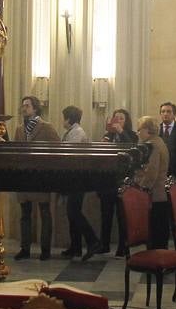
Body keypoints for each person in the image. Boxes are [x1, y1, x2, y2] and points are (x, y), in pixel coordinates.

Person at [13, 95, 60, 261]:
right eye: (23, 105)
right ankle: (25, 248)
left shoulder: (46, 127)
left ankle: (45, 250)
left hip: (41, 175)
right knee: (25, 213)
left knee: (44, 212)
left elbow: (57, 147)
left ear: (35, 108)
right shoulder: (19, 129)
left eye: (27, 105)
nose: (24, 108)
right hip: (24, 175)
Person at [60, 105, 99, 261]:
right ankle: (75, 247)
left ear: (68, 119)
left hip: (77, 178)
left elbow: (70, 157)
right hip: (73, 179)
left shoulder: (77, 133)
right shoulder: (72, 132)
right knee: (72, 213)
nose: (62, 121)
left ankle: (92, 240)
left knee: (74, 212)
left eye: (63, 118)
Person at [102, 109, 137, 256]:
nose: (118, 121)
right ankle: (104, 244)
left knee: (122, 215)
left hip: (124, 180)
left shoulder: (132, 135)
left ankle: (123, 246)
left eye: (121, 119)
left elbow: (131, 148)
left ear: (126, 121)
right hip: (108, 180)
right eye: (116, 118)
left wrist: (122, 132)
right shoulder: (108, 135)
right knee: (106, 213)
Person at [133, 116, 170, 249]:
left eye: (139, 130)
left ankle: (156, 260)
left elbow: (151, 173)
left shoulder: (153, 145)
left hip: (155, 195)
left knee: (156, 233)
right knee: (159, 231)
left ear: (148, 130)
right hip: (160, 194)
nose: (138, 133)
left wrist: (141, 191)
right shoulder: (159, 142)